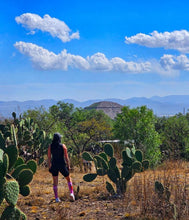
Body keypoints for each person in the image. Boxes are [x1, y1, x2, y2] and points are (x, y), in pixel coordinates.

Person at [48, 133, 75, 202]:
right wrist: (68, 165)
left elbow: (49, 157)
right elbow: (66, 157)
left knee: (55, 182)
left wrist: (49, 166)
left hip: (54, 164)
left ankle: (57, 198)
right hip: (62, 164)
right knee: (68, 179)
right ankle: (71, 193)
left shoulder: (50, 146)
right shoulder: (63, 146)